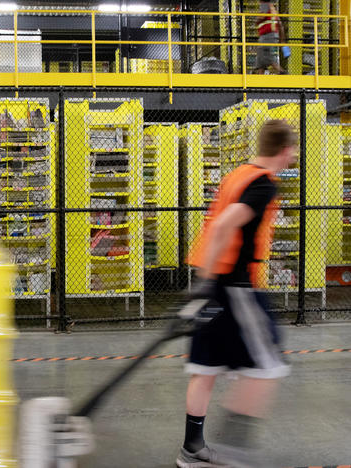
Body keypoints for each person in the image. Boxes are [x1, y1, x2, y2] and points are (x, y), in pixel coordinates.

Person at [176, 120, 296, 468]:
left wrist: (201, 283)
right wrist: (209, 284)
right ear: (285, 149)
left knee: (205, 369)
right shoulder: (262, 185)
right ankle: (234, 452)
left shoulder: (238, 173)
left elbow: (215, 226)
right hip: (237, 287)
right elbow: (225, 225)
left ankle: (192, 448)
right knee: (268, 366)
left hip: (214, 282)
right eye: (293, 150)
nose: (293, 157)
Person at [255, 0, 287, 75]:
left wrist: (256, 20)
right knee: (261, 56)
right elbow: (280, 24)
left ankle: (282, 71)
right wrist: (282, 40)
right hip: (271, 36)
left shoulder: (265, 5)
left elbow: (261, 17)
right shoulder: (272, 8)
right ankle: (260, 78)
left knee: (266, 55)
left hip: (267, 36)